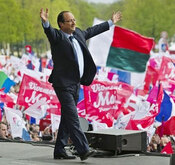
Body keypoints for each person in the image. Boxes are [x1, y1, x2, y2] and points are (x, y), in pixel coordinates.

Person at [40, 8, 122, 161]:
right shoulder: (57, 37)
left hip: (76, 84)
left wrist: (110, 22)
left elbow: (93, 30)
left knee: (67, 117)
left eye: (74, 20)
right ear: (61, 24)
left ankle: (59, 150)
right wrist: (45, 22)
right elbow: (49, 31)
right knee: (73, 117)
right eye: (69, 21)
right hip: (63, 84)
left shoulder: (77, 33)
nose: (73, 22)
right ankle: (83, 149)